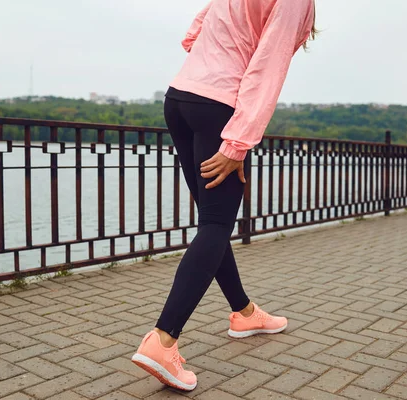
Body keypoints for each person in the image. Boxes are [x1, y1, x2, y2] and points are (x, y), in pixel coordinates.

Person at [132, 0, 317, 391]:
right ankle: (163, 340)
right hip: (219, 107)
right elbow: (268, 65)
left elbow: (192, 34)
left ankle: (244, 312)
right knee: (216, 225)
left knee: (211, 225)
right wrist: (238, 142)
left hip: (181, 98)